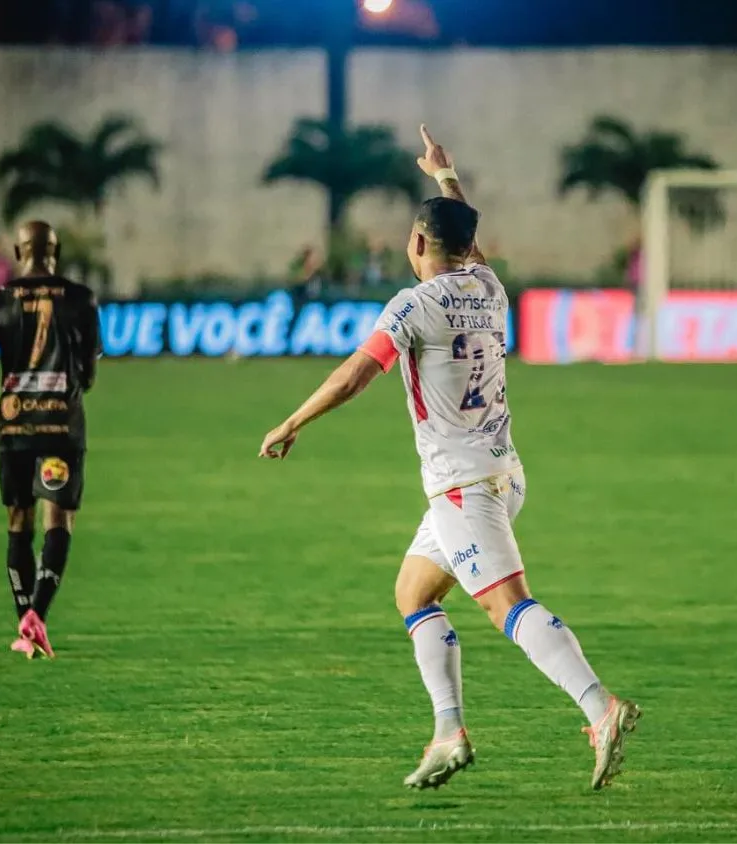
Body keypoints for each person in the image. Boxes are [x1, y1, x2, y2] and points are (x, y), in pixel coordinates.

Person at [260, 126, 639, 791]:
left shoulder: (413, 305)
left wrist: (293, 420)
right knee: (413, 593)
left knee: (506, 606)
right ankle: (448, 732)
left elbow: (355, 374)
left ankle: (599, 708)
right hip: (498, 472)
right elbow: (467, 242)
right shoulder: (488, 288)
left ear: (413, 244)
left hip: (463, 485)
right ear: (467, 249)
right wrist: (445, 177)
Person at [0, 221, 101, 659]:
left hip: (12, 428)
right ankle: (38, 616)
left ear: (18, 251)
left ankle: (23, 620)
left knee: (18, 522)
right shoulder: (80, 299)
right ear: (56, 252)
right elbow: (88, 376)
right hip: (60, 428)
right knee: (59, 521)